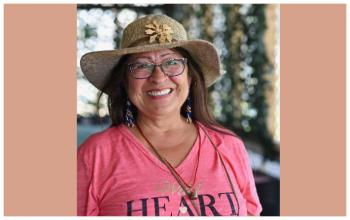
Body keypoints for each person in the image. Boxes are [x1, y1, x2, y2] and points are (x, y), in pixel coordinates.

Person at [78, 14, 262, 216]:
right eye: (141, 65)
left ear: (190, 76)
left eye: (172, 62)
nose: (158, 77)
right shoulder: (95, 155)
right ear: (125, 81)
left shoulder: (228, 146)